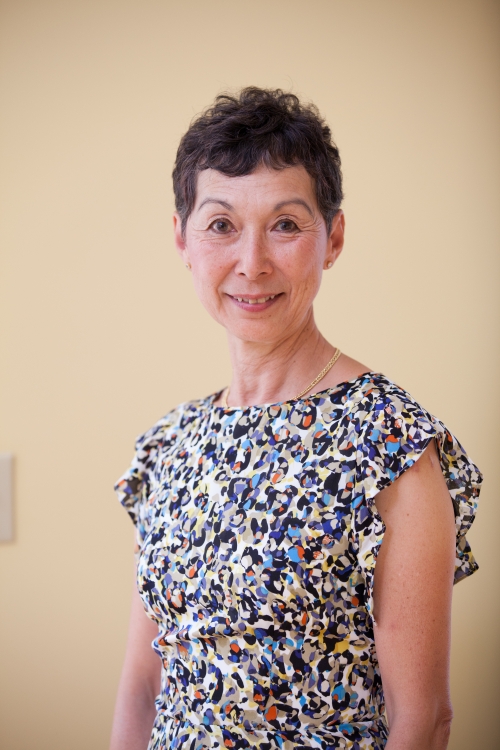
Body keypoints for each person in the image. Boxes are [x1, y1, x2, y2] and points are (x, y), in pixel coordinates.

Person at [110, 88, 481, 750]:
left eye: (285, 224)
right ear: (182, 238)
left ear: (332, 239)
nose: (251, 263)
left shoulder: (390, 445)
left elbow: (423, 720)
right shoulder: (170, 445)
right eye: (221, 224)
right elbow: (143, 686)